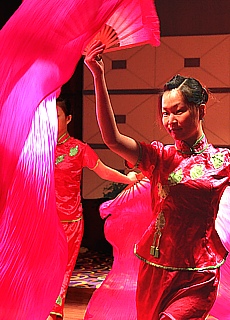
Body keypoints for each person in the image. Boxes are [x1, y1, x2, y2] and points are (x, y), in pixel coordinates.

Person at [84, 40, 229, 320]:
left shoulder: (222, 162)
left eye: (179, 111)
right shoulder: (159, 157)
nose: (170, 120)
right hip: (156, 267)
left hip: (199, 274)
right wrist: (98, 76)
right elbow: (112, 139)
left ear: (201, 110)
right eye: (165, 112)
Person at [48, 96, 138, 319]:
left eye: (56, 116)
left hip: (70, 221)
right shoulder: (38, 149)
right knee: (43, 267)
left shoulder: (79, 150)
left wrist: (130, 180)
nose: (51, 120)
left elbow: (104, 171)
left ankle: (54, 310)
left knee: (63, 268)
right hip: (44, 220)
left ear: (68, 119)